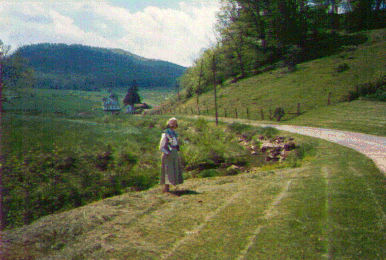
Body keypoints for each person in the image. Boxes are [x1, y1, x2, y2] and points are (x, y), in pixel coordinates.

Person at [159, 117, 183, 192]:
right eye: (171, 123)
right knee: (168, 171)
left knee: (173, 170)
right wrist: (168, 153)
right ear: (168, 124)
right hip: (168, 155)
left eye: (174, 123)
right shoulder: (165, 133)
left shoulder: (174, 133)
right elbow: (161, 147)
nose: (173, 124)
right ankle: (166, 189)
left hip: (174, 153)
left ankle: (171, 188)